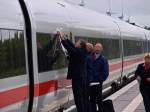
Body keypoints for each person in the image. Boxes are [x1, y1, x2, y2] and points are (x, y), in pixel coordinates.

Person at [58, 32, 89, 112]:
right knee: (81, 98)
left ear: (80, 45)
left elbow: (69, 48)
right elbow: (72, 46)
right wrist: (66, 38)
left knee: (78, 99)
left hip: (78, 79)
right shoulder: (81, 51)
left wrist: (62, 39)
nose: (75, 43)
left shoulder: (79, 52)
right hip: (81, 78)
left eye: (77, 42)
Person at [89, 43, 109, 112]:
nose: (97, 49)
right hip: (90, 83)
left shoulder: (104, 59)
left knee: (99, 99)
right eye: (96, 47)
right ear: (94, 48)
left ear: (101, 49)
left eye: (99, 47)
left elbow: (105, 72)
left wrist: (100, 80)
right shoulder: (89, 58)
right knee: (92, 100)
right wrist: (89, 79)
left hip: (98, 83)